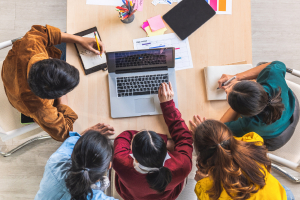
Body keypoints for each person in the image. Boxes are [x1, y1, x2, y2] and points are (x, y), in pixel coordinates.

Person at [1, 25, 106, 141]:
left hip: (11, 74)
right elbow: (65, 133)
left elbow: (45, 33)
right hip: (17, 96)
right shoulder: (41, 108)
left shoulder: (31, 44)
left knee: (69, 39)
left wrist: (80, 39)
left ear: (50, 59)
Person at [113, 82, 193, 200]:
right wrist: (168, 105)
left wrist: (139, 136)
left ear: (133, 157)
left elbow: (123, 136)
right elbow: (185, 137)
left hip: (131, 195)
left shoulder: (120, 162)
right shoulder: (182, 165)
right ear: (166, 151)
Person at [190, 116, 295, 200]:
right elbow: (228, 144)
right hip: (279, 196)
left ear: (202, 154)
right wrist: (217, 138)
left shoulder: (205, 187)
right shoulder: (254, 143)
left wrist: (202, 180)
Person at [217, 61, 299, 150]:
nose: (227, 89)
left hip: (276, 139)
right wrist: (237, 77)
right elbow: (278, 64)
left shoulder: (249, 125)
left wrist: (235, 105)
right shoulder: (272, 76)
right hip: (292, 108)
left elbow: (220, 129)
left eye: (227, 93)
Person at [35, 123, 117, 200]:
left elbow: (71, 141)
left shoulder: (56, 161)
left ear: (71, 155)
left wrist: (87, 136)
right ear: (109, 166)